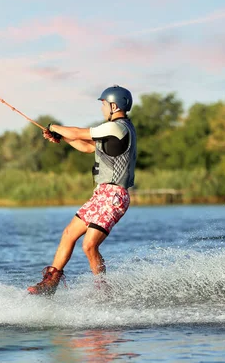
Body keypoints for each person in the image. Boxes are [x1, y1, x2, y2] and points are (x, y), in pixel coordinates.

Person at [27, 85, 137, 296]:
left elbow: (80, 133)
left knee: (89, 245)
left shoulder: (118, 127)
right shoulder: (113, 130)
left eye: (104, 104)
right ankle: (51, 282)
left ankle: (104, 292)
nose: (102, 108)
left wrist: (54, 127)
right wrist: (60, 138)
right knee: (69, 234)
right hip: (102, 195)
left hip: (114, 196)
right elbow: (87, 146)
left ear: (114, 105)